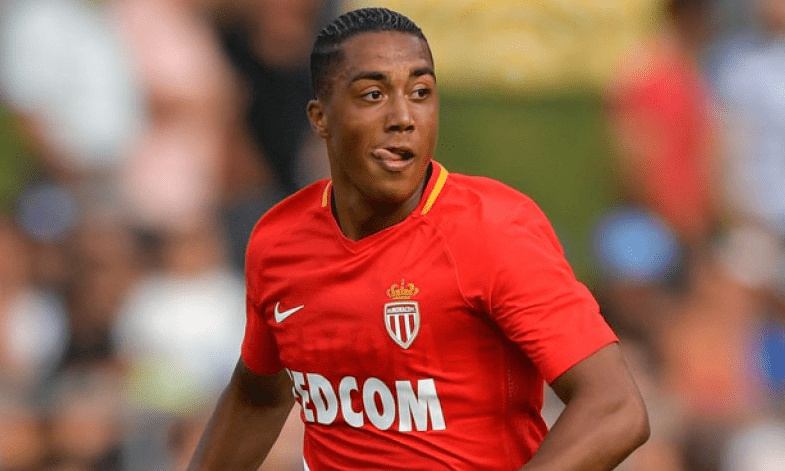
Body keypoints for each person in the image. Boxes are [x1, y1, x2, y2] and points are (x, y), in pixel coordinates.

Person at [187, 8, 649, 471]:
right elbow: (260, 395)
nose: (403, 117)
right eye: (373, 94)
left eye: (421, 92)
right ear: (320, 117)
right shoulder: (279, 240)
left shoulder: (493, 229)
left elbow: (614, 408)